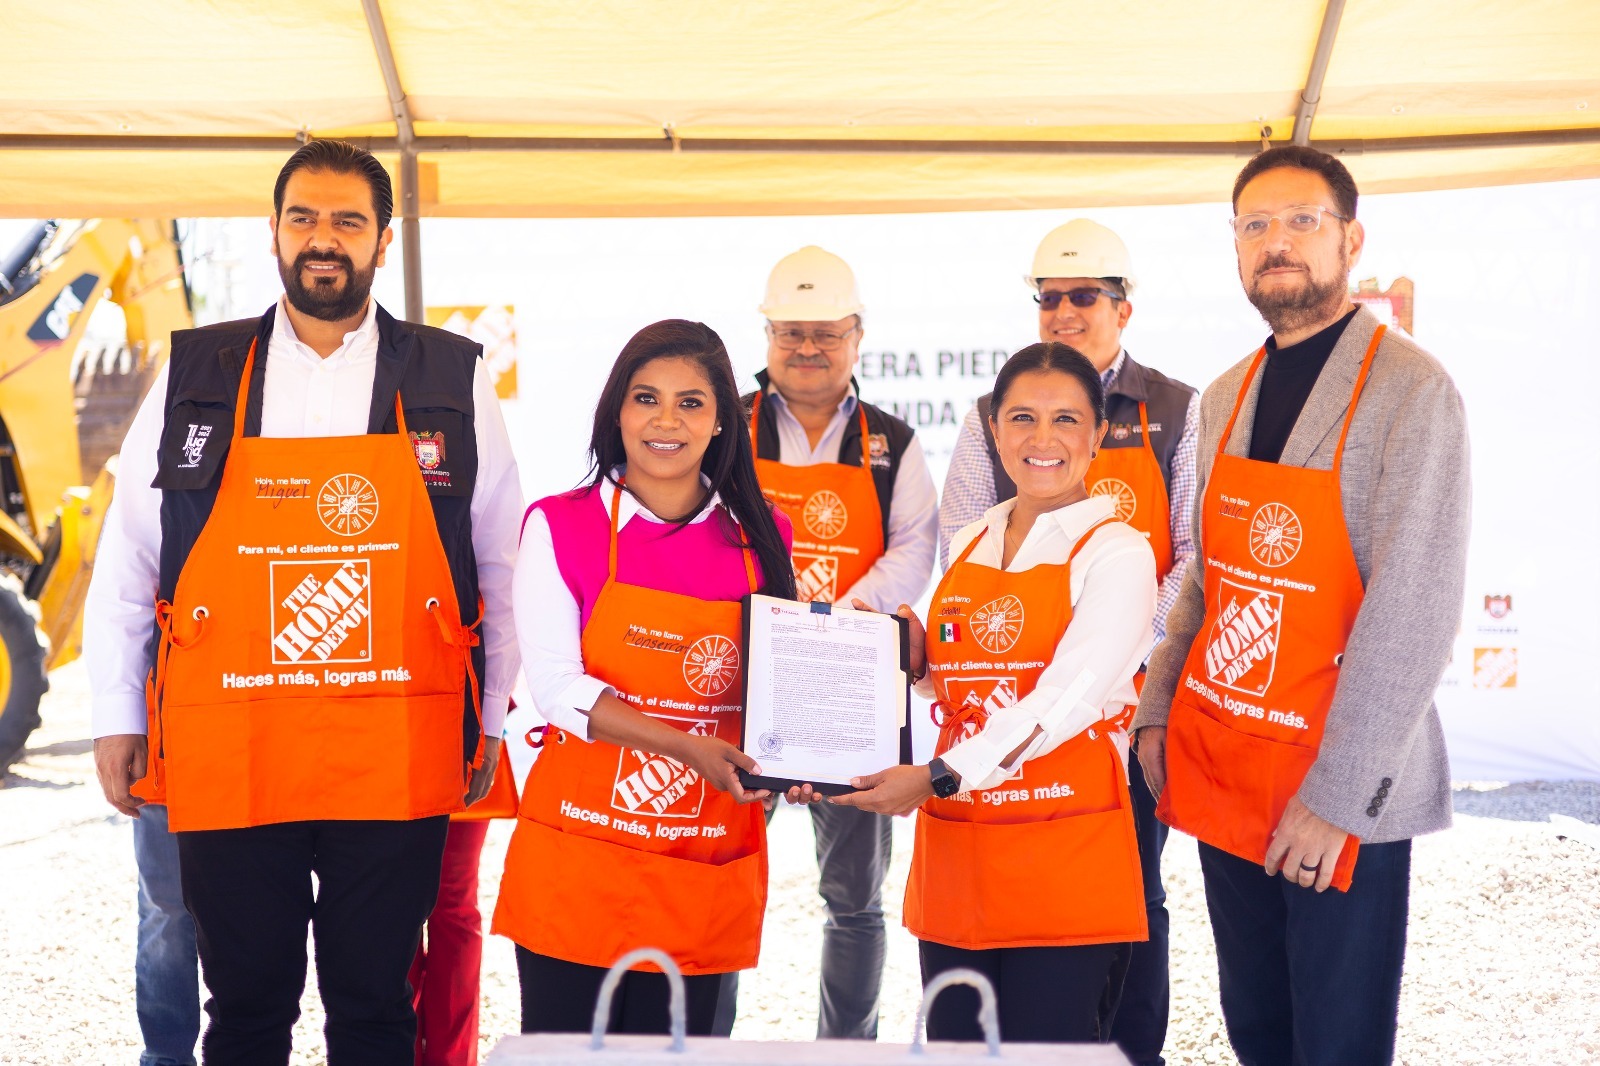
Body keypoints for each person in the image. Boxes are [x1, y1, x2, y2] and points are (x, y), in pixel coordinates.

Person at [86, 138, 522, 1065]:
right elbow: (131, 557)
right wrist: (117, 714)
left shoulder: (451, 377)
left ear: (382, 237)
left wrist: (494, 720)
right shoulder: (197, 375)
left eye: (348, 222)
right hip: (234, 747)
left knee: (373, 1013)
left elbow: (500, 563)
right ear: (275, 231)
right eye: (304, 218)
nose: (324, 240)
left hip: (392, 749)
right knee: (244, 1014)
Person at [1134, 145, 1470, 1066]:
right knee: (1259, 1034)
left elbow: (1415, 611)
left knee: (1336, 1045)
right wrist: (1158, 708)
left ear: (1351, 239)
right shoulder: (1225, 393)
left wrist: (1335, 801)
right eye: (1254, 226)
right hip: (1229, 765)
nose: (1274, 242)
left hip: (1330, 790)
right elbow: (1207, 576)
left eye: (1300, 221)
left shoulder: (1412, 389)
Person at [823, 341, 1155, 1043]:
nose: (1042, 440)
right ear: (993, 431)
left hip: (1061, 869)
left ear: (1098, 436)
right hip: (960, 869)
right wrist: (905, 663)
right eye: (1022, 418)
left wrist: (937, 777)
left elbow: (1067, 701)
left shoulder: (1117, 552)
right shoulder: (971, 540)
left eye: (1066, 420)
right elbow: (955, 688)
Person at [938, 218, 1196, 1065]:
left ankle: (1129, 1051)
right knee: (997, 893)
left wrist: (1121, 651)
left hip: (1124, 697)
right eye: (1049, 297)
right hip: (1000, 691)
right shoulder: (992, 410)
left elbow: (1190, 555)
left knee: (1126, 887)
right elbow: (965, 542)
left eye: (1083, 296)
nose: (1064, 312)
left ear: (1124, 306)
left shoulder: (1175, 408)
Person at [494, 319, 797, 1037]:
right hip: (580, 860)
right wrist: (688, 748)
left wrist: (802, 763)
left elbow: (780, 692)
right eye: (646, 398)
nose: (667, 420)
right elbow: (559, 689)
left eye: (691, 403)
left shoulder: (764, 538)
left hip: (699, 860)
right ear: (616, 413)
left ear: (723, 419)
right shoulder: (559, 527)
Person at [742, 245, 937, 1040]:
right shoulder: (726, 425)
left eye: (826, 332)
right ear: (767, 336)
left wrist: (833, 618)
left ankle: (846, 1052)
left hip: (853, 693)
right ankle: (696, 1045)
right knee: (714, 877)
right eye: (791, 332)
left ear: (858, 335)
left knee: (853, 903)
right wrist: (785, 625)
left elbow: (916, 545)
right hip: (744, 688)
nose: (808, 348)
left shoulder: (892, 441)